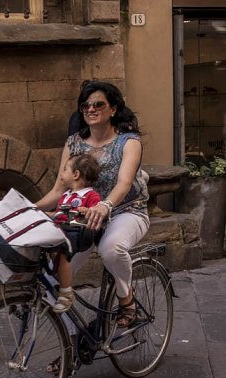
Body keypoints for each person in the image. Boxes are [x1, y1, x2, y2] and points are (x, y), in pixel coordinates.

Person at [36, 81, 149, 328]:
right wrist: (30, 209)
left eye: (99, 104)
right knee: (54, 280)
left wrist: (105, 205)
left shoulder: (129, 142)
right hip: (82, 218)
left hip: (126, 211)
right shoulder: (74, 143)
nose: (91, 109)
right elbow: (59, 189)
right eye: (86, 105)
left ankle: (126, 300)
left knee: (111, 248)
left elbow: (124, 183)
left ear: (113, 109)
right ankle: (74, 344)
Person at [49, 153, 101, 313]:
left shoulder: (90, 194)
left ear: (76, 174)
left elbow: (97, 210)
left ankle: (65, 292)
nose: (61, 174)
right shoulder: (66, 196)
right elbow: (58, 215)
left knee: (63, 252)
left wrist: (88, 210)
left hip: (77, 234)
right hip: (61, 232)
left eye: (65, 169)